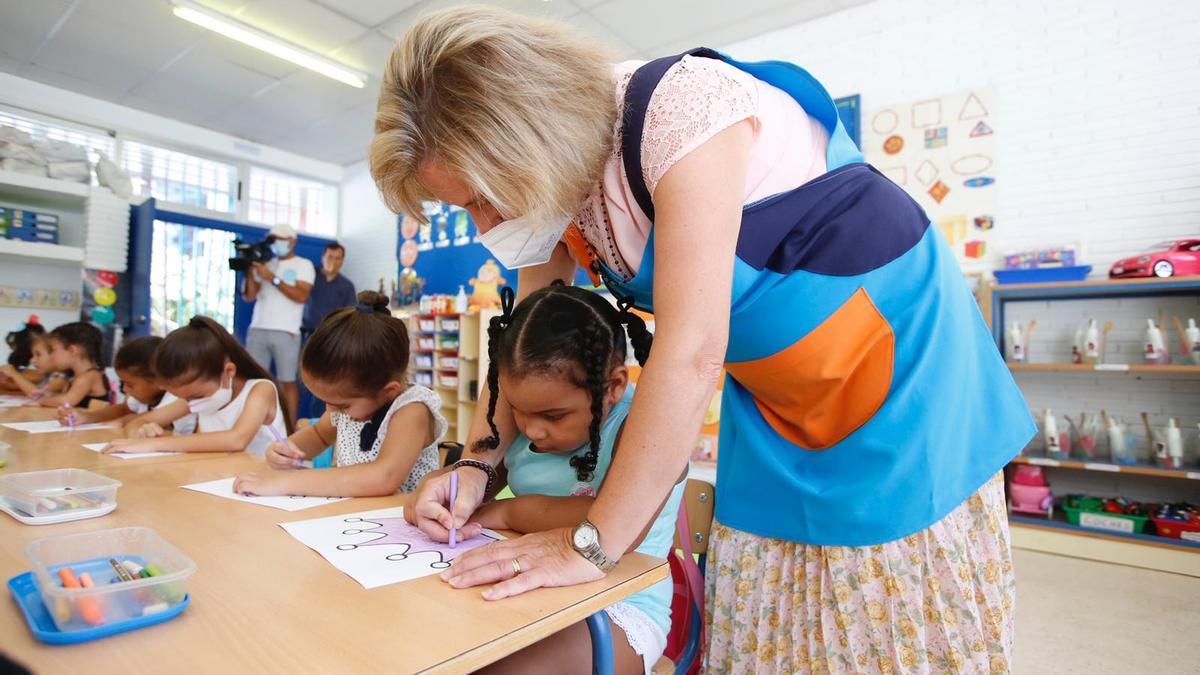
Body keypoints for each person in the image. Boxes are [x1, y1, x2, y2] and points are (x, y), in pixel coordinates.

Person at [372, 7, 1032, 674]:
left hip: (901, 375)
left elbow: (690, 353)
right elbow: (525, 335)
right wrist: (477, 467)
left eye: (482, 198)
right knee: (771, 619)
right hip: (773, 398)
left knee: (888, 617)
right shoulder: (555, 190)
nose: (483, 225)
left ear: (534, 143)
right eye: (465, 208)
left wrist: (590, 544)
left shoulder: (681, 112)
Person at [447, 284, 681, 674]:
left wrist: (509, 512)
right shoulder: (528, 417)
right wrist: (446, 491)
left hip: (618, 606)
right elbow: (479, 484)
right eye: (517, 410)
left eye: (553, 416)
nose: (532, 430)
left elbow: (612, 521)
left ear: (613, 387)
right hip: (533, 585)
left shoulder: (640, 427)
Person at [233, 291, 445, 497]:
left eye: (343, 405)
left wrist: (285, 482)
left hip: (398, 517)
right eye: (326, 401)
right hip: (349, 514)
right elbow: (319, 434)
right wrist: (285, 450)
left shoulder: (411, 410)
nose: (330, 409)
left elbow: (383, 477)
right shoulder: (349, 407)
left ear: (389, 391)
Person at [105, 316, 286, 456]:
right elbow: (137, 422)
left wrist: (156, 443)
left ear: (229, 371)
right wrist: (141, 434)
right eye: (185, 399)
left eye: (196, 397)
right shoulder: (197, 399)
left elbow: (237, 440)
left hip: (265, 482)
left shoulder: (260, 390)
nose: (191, 404)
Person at [243, 222, 314, 427]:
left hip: (287, 330)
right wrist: (250, 270)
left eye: (281, 239)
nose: (277, 243)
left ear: (293, 241)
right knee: (254, 380)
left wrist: (272, 278)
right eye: (273, 240)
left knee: (286, 381)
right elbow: (249, 296)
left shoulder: (303, 265)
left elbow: (301, 296)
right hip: (258, 328)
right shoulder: (266, 263)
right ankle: (253, 424)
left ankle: (289, 428)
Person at [55, 336, 194, 435]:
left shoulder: (175, 399)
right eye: (123, 383)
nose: (125, 390)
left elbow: (151, 420)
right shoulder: (144, 398)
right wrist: (87, 417)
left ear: (159, 382)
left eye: (130, 384)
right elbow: (122, 409)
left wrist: (123, 421)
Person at [299, 241, 356, 418]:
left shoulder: (346, 286)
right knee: (302, 380)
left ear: (342, 261)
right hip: (307, 336)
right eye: (330, 257)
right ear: (323, 257)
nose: (333, 261)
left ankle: (319, 422)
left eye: (338, 258)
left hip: (331, 341)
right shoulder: (311, 277)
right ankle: (298, 421)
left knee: (325, 382)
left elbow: (349, 315)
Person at [1, 322, 108, 410]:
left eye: (53, 350)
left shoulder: (88, 376)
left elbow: (67, 401)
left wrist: (42, 401)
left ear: (72, 350)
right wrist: (49, 395)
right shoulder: (75, 377)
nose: (51, 357)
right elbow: (64, 397)